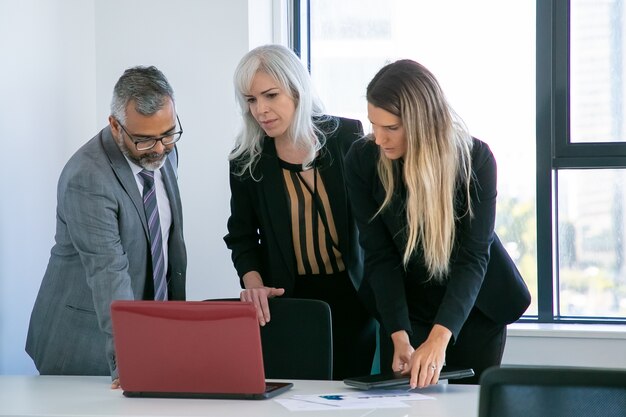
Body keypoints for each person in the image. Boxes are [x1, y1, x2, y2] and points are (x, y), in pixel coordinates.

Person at [344, 59, 531, 388]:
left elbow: (474, 256)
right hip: (403, 305)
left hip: (473, 308)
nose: (379, 139)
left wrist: (439, 338)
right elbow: (378, 254)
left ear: (421, 124)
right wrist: (399, 336)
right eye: (375, 125)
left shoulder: (475, 160)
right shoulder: (362, 161)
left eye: (391, 128)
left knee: (469, 405)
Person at [26, 66, 187, 387]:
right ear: (115, 125)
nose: (158, 149)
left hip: (146, 331)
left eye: (167, 133)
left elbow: (163, 243)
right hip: (84, 344)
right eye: (143, 139)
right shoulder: (88, 177)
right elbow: (107, 270)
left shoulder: (165, 152)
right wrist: (126, 358)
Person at [223, 44, 376, 380]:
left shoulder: (347, 137)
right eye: (251, 100)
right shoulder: (246, 160)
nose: (260, 109)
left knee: (351, 397)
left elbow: (376, 222)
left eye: (270, 95)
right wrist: (255, 287)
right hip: (290, 301)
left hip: (354, 295)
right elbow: (242, 237)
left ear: (297, 89)